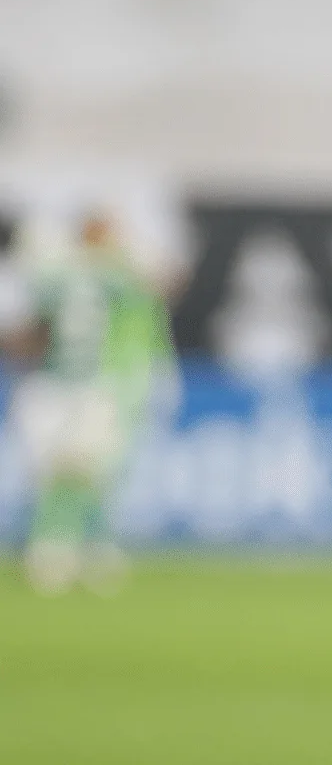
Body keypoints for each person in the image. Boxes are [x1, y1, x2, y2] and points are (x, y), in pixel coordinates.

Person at [15, 212, 177, 595]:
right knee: (74, 470)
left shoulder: (56, 273)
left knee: (80, 471)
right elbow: (162, 282)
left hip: (71, 383)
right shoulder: (109, 276)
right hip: (83, 383)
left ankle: (66, 549)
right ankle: (62, 549)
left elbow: (32, 322)